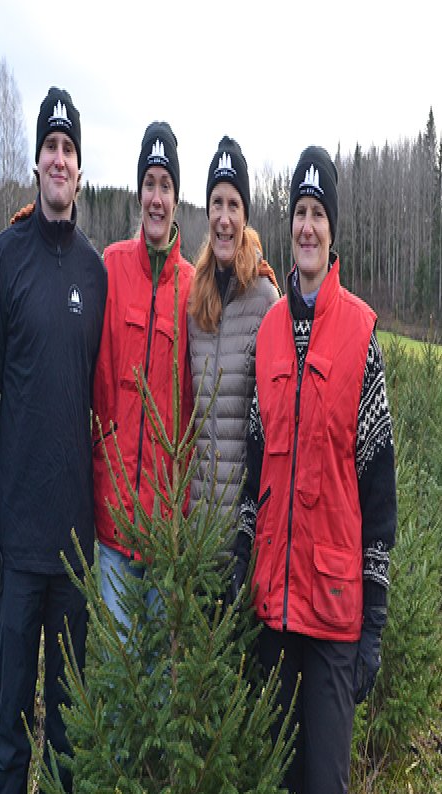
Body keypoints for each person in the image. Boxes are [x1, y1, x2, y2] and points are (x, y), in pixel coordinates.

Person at [229, 145, 398, 794]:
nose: (306, 226)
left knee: (322, 789)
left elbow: (379, 494)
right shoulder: (269, 332)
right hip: (272, 611)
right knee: (273, 782)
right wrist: (240, 563)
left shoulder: (361, 336)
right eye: (298, 212)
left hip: (333, 619)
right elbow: (253, 476)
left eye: (317, 214)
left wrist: (374, 623)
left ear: (332, 232)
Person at [0, 86, 106, 794]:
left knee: (69, 728)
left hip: (75, 547)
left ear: (80, 170)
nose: (59, 159)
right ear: (36, 161)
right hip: (17, 545)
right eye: (50, 146)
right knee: (14, 725)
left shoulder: (94, 271)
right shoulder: (4, 259)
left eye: (69, 149)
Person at [90, 120, 196, 640]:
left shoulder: (195, 290)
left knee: (154, 682)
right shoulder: (108, 267)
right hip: (112, 520)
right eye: (149, 183)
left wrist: (258, 271)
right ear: (139, 193)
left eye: (166, 186)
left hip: (165, 527)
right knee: (116, 670)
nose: (157, 197)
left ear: (177, 198)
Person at [186, 135, 280, 555]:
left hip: (246, 541)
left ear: (245, 217)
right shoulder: (194, 299)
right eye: (217, 203)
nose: (224, 218)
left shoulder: (264, 299)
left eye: (234, 205)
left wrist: (252, 533)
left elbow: (272, 428)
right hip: (196, 540)